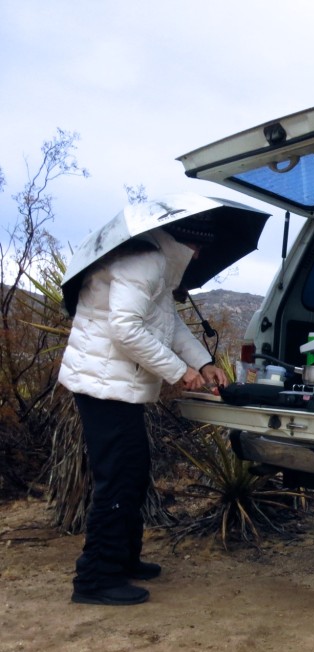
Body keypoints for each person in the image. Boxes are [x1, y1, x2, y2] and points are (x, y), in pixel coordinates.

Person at [58, 216, 229, 606]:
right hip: (104, 388)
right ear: (190, 244)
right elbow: (125, 329)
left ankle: (123, 560)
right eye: (201, 250)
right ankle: (96, 579)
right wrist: (177, 371)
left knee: (132, 473)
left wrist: (202, 363)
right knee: (117, 480)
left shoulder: (156, 264)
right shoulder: (146, 262)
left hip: (117, 387)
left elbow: (168, 325)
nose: (201, 257)